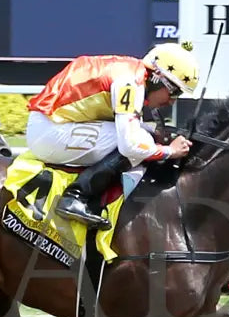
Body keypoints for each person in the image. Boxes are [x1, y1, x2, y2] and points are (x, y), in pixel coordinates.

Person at [25, 42, 198, 229]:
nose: (172, 102)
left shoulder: (134, 73)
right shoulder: (130, 83)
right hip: (48, 132)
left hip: (54, 124)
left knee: (144, 135)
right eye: (174, 92)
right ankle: (76, 196)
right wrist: (168, 151)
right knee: (137, 142)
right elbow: (129, 145)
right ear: (158, 78)